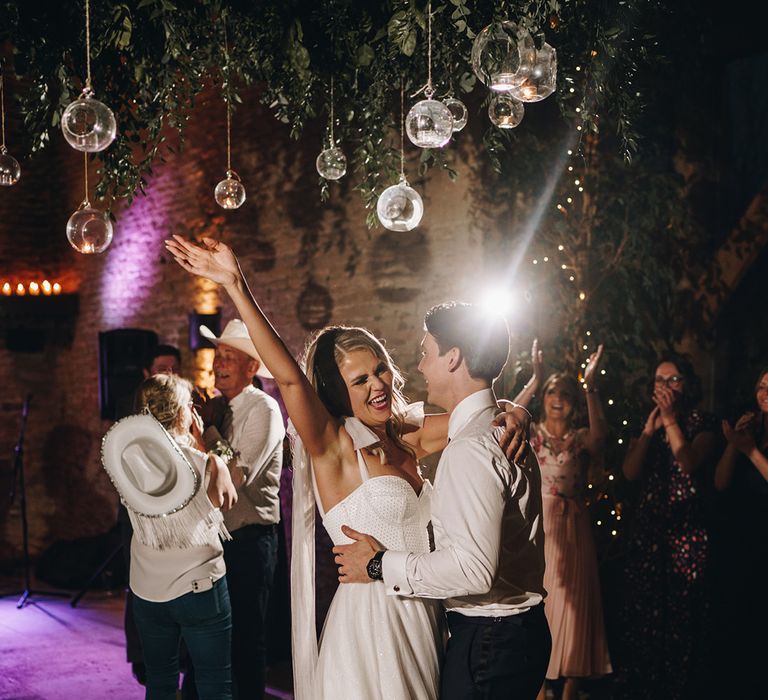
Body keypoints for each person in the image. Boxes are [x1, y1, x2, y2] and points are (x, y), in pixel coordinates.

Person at [164, 236, 528, 700]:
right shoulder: (334, 447)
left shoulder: (408, 434)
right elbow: (292, 379)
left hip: (425, 617)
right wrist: (236, 285)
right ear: (337, 394)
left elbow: (477, 414)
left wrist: (517, 410)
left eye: (380, 370)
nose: (378, 385)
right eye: (360, 380)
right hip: (370, 626)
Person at [334, 302, 551, 700]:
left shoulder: (470, 448)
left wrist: (379, 563)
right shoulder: (496, 430)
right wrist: (516, 408)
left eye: (426, 353)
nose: (418, 367)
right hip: (513, 634)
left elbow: (474, 570)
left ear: (453, 358)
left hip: (489, 640)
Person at [103, 373, 238, 700]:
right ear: (184, 413)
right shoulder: (208, 463)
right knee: (213, 682)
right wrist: (206, 447)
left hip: (147, 591)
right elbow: (228, 502)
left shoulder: (125, 461)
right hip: (200, 589)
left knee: (160, 680)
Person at [512, 340, 612, 700]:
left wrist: (590, 385)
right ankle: (538, 686)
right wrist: (536, 380)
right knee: (543, 600)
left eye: (565, 393)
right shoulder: (533, 433)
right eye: (553, 391)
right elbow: (507, 415)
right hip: (540, 526)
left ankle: (571, 684)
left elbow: (601, 438)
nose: (559, 398)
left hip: (574, 527)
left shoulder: (579, 438)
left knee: (575, 602)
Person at [619, 354, 719, 700]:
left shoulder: (702, 422)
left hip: (688, 534)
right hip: (650, 530)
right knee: (645, 614)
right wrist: (649, 431)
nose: (665, 387)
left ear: (687, 384)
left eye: (673, 379)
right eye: (659, 381)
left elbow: (689, 463)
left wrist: (672, 421)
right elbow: (630, 472)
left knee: (682, 617)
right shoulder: (649, 424)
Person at [196, 319, 285, 700]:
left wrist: (206, 434)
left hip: (249, 540)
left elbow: (234, 478)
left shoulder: (263, 409)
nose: (219, 363)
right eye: (218, 355)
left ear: (252, 367)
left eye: (229, 356)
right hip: (213, 538)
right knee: (209, 636)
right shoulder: (218, 408)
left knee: (246, 639)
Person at [116, 343, 183, 686]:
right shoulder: (131, 417)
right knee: (142, 583)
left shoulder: (187, 409)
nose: (167, 376)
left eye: (173, 369)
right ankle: (143, 656)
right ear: (147, 374)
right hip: (142, 515)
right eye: (161, 369)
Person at [711, 367, 768, 697]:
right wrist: (734, 444)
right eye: (760, 386)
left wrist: (750, 451)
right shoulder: (751, 426)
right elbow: (720, 482)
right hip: (740, 536)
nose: (764, 393)